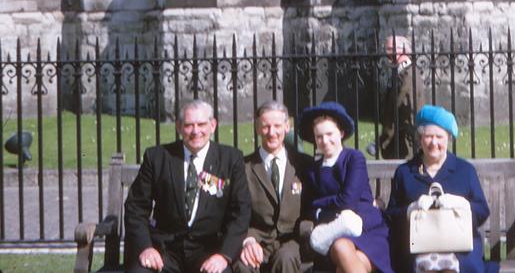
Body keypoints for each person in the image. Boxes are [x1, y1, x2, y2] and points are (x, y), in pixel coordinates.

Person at [124, 99, 251, 273]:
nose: (195, 131)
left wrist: (224, 256)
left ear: (213, 125)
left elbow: (241, 212)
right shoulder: (157, 157)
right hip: (164, 251)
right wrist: (146, 247)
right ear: (178, 127)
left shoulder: (231, 159)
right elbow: (135, 207)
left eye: (201, 124)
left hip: (208, 251)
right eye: (189, 125)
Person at [385, 105, 498, 273]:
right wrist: (411, 209)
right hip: (417, 248)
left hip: (459, 249)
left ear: (448, 138)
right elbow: (391, 215)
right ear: (420, 138)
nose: (434, 143)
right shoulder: (405, 172)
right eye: (428, 136)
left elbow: (482, 211)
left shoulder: (464, 170)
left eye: (440, 137)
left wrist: (462, 204)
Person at [298, 101, 394, 273]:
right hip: (332, 232)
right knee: (340, 248)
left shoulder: (354, 158)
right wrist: (322, 209)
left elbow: (347, 200)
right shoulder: (312, 170)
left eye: (329, 134)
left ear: (341, 133)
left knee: (343, 263)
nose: (325, 141)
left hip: (367, 229)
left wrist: (321, 206)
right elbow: (308, 207)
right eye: (319, 136)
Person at [233, 101, 313, 273]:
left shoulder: (304, 164)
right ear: (257, 128)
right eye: (265, 126)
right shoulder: (243, 166)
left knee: (286, 259)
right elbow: (236, 211)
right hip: (257, 240)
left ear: (287, 126)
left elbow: (313, 205)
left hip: (293, 240)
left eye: (277, 126)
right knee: (243, 265)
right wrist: (248, 240)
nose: (272, 133)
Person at [368, 35, 415, 159]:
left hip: (404, 141)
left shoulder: (407, 74)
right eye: (386, 49)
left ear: (403, 50)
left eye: (390, 49)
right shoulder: (401, 72)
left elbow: (398, 108)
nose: (387, 53)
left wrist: (382, 141)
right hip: (399, 139)